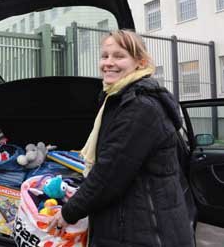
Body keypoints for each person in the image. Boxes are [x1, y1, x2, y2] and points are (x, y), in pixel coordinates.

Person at [48, 30, 195, 246]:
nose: (109, 63)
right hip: (136, 221)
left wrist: (68, 213)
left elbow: (108, 175)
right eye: (105, 55)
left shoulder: (140, 108)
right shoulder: (117, 99)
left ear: (140, 61)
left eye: (119, 56)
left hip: (148, 231)